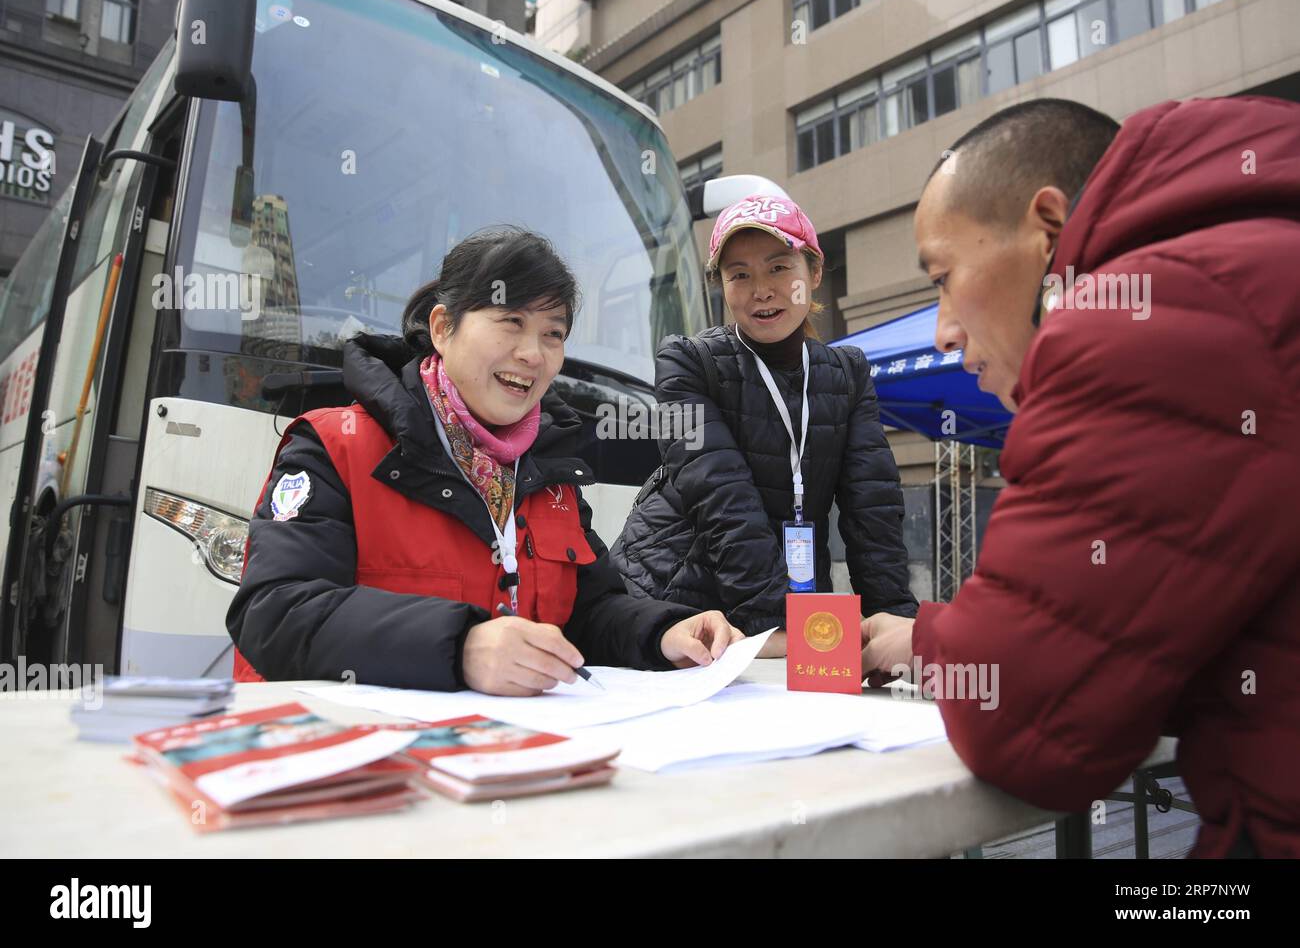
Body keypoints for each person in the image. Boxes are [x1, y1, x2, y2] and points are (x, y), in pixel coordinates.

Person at [864, 97, 1300, 857]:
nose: (942, 331)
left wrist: (935, 644)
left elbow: (1025, 720)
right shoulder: (1252, 261)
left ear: (1048, 228)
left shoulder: (1153, 314)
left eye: (943, 276)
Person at [228, 227, 742, 695]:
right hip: (367, 770)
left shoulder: (551, 474)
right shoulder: (334, 447)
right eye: (510, 322)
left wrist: (662, 632)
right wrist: (461, 646)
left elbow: (586, 613)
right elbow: (273, 612)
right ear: (443, 327)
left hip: (513, 762)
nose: (533, 354)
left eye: (553, 334)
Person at [613, 194, 916, 656]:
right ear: (721, 285)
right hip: (673, 604)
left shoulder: (849, 375)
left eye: (779, 268)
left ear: (813, 272)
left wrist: (893, 618)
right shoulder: (687, 363)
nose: (761, 290)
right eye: (740, 275)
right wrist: (778, 625)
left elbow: (872, 507)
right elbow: (722, 501)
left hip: (786, 619)